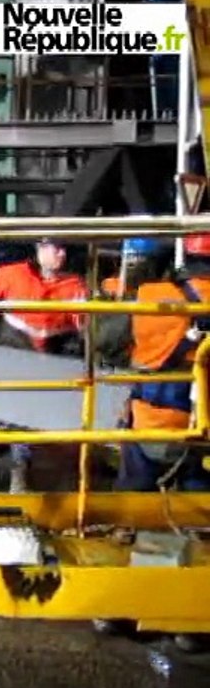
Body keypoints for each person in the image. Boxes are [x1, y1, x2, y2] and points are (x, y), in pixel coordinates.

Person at [93, 233, 210, 652]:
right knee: (199, 519)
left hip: (150, 425)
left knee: (132, 512)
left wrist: (115, 295)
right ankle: (193, 621)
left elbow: (105, 343)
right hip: (202, 433)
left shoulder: (152, 295)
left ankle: (119, 608)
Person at [0, 237, 88, 493]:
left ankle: (27, 468)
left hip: (52, 363)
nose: (61, 254)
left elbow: (85, 327)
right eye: (56, 248)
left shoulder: (75, 286)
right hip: (11, 358)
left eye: (65, 248)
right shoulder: (8, 276)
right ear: (39, 249)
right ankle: (5, 465)